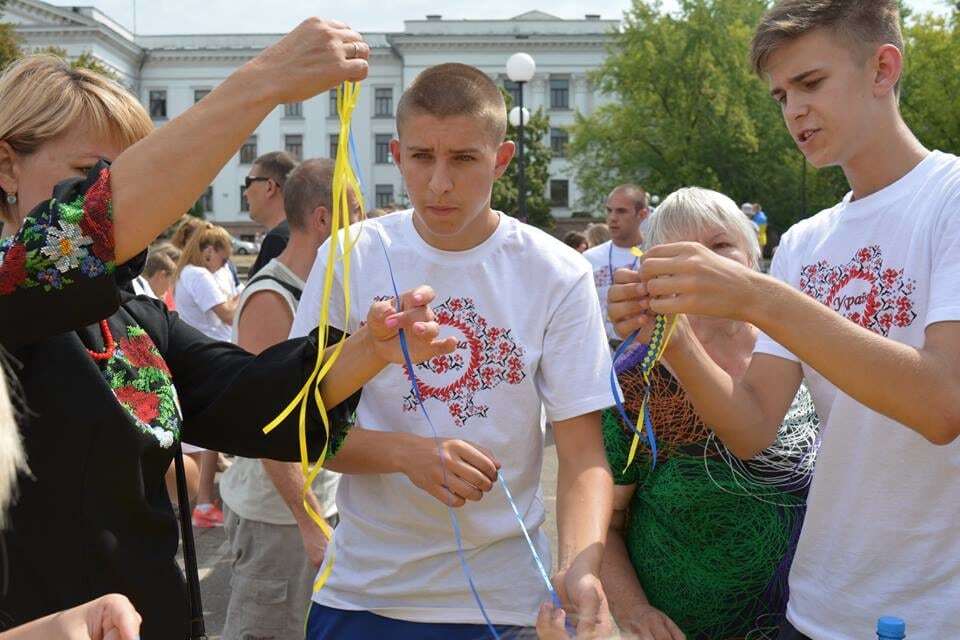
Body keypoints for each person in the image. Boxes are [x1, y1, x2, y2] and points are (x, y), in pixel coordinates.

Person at [0, 26, 456, 639]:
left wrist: (370, 347)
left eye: (128, 170)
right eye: (91, 172)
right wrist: (263, 81)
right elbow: (88, 230)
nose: (122, 191)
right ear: (6, 164)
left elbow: (250, 395)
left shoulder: (132, 321)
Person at [607, 2, 960, 638]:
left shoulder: (950, 200)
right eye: (779, 94)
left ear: (883, 68)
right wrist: (671, 335)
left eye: (811, 83)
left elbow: (942, 404)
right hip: (817, 604)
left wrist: (757, 296)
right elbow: (750, 429)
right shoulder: (804, 242)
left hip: (934, 607)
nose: (793, 110)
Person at [291, 63, 615, 639]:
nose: (440, 182)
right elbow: (299, 428)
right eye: (422, 157)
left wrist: (579, 567)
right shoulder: (351, 256)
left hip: (508, 599)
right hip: (368, 592)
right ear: (396, 153)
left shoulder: (557, 272)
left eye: (464, 158)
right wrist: (403, 453)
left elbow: (583, 453)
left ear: (502, 158)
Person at [598, 188, 820, 640]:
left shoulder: (799, 351)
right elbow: (602, 522)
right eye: (682, 255)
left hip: (810, 623)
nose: (704, 266)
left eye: (720, 247)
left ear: (752, 258)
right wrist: (635, 612)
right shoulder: (636, 380)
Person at [221, 158, 362, 639]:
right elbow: (267, 423)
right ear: (323, 220)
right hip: (278, 520)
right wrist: (308, 521)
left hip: (313, 509)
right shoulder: (273, 297)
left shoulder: (320, 290)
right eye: (356, 213)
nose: (363, 227)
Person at [172, 222, 239, 527]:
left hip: (206, 355)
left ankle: (200, 504)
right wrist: (245, 295)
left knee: (206, 437)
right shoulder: (197, 274)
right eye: (223, 258)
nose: (225, 264)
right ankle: (199, 505)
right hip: (204, 357)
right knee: (203, 437)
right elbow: (226, 312)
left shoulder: (198, 273)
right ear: (208, 251)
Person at [582, 184, 649, 343]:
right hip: (599, 354)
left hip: (642, 355)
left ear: (642, 214)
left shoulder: (653, 256)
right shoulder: (588, 259)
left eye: (621, 211)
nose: (612, 217)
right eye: (609, 210)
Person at [246, 151, 298, 279]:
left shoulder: (277, 239)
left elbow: (264, 297)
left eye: (248, 182)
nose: (245, 193)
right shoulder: (301, 232)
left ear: (270, 187)